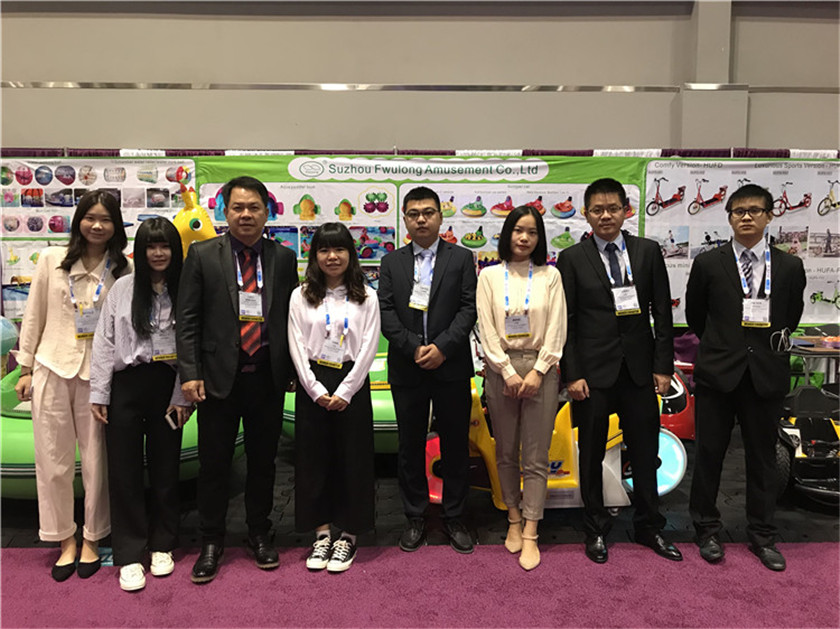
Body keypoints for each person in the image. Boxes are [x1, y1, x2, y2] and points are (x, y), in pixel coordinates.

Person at [176, 176, 298, 584]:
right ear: (224, 212)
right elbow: (188, 319)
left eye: (254, 207)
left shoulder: (283, 258)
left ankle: (259, 532)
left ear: (267, 212)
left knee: (264, 463)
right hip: (216, 381)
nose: (246, 215)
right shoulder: (203, 255)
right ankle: (211, 541)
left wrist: (292, 371)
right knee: (214, 465)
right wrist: (190, 373)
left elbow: (291, 319)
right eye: (238, 208)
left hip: (266, 379)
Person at [557, 178, 680, 564]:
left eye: (613, 208)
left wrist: (663, 367)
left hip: (640, 372)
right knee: (591, 454)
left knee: (645, 453)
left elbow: (662, 312)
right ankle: (595, 528)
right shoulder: (572, 259)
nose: (605, 215)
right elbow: (567, 321)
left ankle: (649, 526)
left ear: (626, 210)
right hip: (592, 375)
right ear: (586, 214)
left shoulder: (647, 251)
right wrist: (572, 374)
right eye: (597, 209)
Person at [686, 184, 806, 572]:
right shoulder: (709, 263)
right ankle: (706, 530)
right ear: (730, 218)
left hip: (765, 375)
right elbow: (695, 316)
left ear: (770, 215)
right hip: (718, 375)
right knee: (708, 456)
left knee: (763, 460)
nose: (747, 217)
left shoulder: (789, 267)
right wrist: (726, 346)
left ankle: (763, 535)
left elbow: (790, 316)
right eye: (739, 211)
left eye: (755, 210)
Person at [14, 189, 130, 581]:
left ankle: (93, 537)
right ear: (78, 221)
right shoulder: (51, 259)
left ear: (116, 226)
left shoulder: (124, 269)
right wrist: (25, 368)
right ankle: (64, 539)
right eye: (90, 218)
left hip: (99, 376)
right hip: (51, 366)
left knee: (97, 461)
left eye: (106, 219)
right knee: (52, 460)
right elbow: (34, 314)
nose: (97, 226)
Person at [90, 217, 192, 592]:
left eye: (165, 245)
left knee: (166, 467)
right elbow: (104, 341)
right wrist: (100, 393)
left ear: (175, 250)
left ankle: (163, 544)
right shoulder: (123, 288)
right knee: (124, 471)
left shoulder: (185, 289)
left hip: (168, 386)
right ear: (140, 250)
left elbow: (191, 347)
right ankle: (130, 553)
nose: (158, 253)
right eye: (151, 246)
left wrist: (182, 396)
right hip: (127, 386)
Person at [379, 186, 477, 554]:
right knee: (409, 444)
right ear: (405, 219)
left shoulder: (461, 258)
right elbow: (385, 311)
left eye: (428, 212)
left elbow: (469, 308)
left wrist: (442, 348)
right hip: (408, 366)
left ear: (440, 216)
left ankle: (455, 516)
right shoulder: (391, 262)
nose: (421, 219)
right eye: (414, 213)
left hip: (451, 366)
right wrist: (413, 347)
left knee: (455, 444)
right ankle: (415, 515)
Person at [476, 206, 567, 570]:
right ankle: (513, 517)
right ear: (507, 234)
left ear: (539, 237)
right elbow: (486, 328)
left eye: (531, 231)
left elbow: (558, 327)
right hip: (502, 370)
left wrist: (539, 370)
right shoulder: (489, 276)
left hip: (541, 370)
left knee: (536, 456)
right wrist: (506, 371)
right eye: (517, 230)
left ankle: (531, 530)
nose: (524, 238)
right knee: (505, 452)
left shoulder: (550, 275)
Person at [288, 223, 380, 573]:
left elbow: (369, 346)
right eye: (324, 250)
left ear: (350, 254)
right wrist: (313, 388)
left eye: (339, 249)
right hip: (313, 382)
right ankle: (322, 532)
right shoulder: (300, 295)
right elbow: (296, 343)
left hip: (351, 381)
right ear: (314, 256)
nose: (332, 257)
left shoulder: (366, 296)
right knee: (313, 460)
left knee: (353, 459)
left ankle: (349, 535)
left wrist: (346, 390)